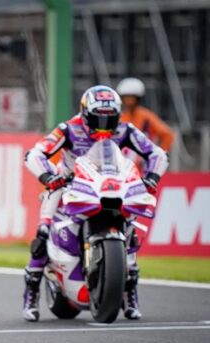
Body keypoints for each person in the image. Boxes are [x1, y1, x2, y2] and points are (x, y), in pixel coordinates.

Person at [21, 85, 168, 322]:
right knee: (43, 232)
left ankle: (130, 294)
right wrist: (48, 177)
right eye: (98, 117)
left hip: (109, 185)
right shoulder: (68, 129)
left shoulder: (125, 129)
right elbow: (35, 154)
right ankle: (31, 294)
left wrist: (151, 178)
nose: (104, 124)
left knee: (130, 232)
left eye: (109, 118)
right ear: (86, 113)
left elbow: (157, 153)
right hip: (69, 185)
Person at [116, 77, 175, 152]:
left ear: (137, 98)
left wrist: (160, 154)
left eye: (131, 97)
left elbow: (167, 135)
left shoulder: (147, 117)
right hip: (124, 158)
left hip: (144, 157)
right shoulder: (120, 117)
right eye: (126, 97)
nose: (128, 100)